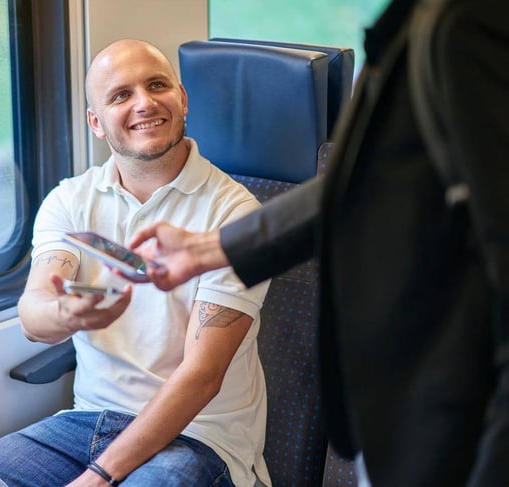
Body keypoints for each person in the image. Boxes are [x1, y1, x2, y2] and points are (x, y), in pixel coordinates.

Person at [128, 0, 509, 486]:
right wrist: (205, 251)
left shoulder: (474, 23)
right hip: (414, 399)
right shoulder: (431, 16)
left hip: (466, 401)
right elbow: (374, 182)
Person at [0, 39, 271, 487]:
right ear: (96, 122)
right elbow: (34, 317)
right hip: (87, 421)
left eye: (157, 85)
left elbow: (203, 376)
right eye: (121, 95)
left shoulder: (234, 214)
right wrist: (63, 313)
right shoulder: (70, 201)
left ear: (182, 97)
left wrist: (97, 478)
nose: (145, 103)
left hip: (199, 436)